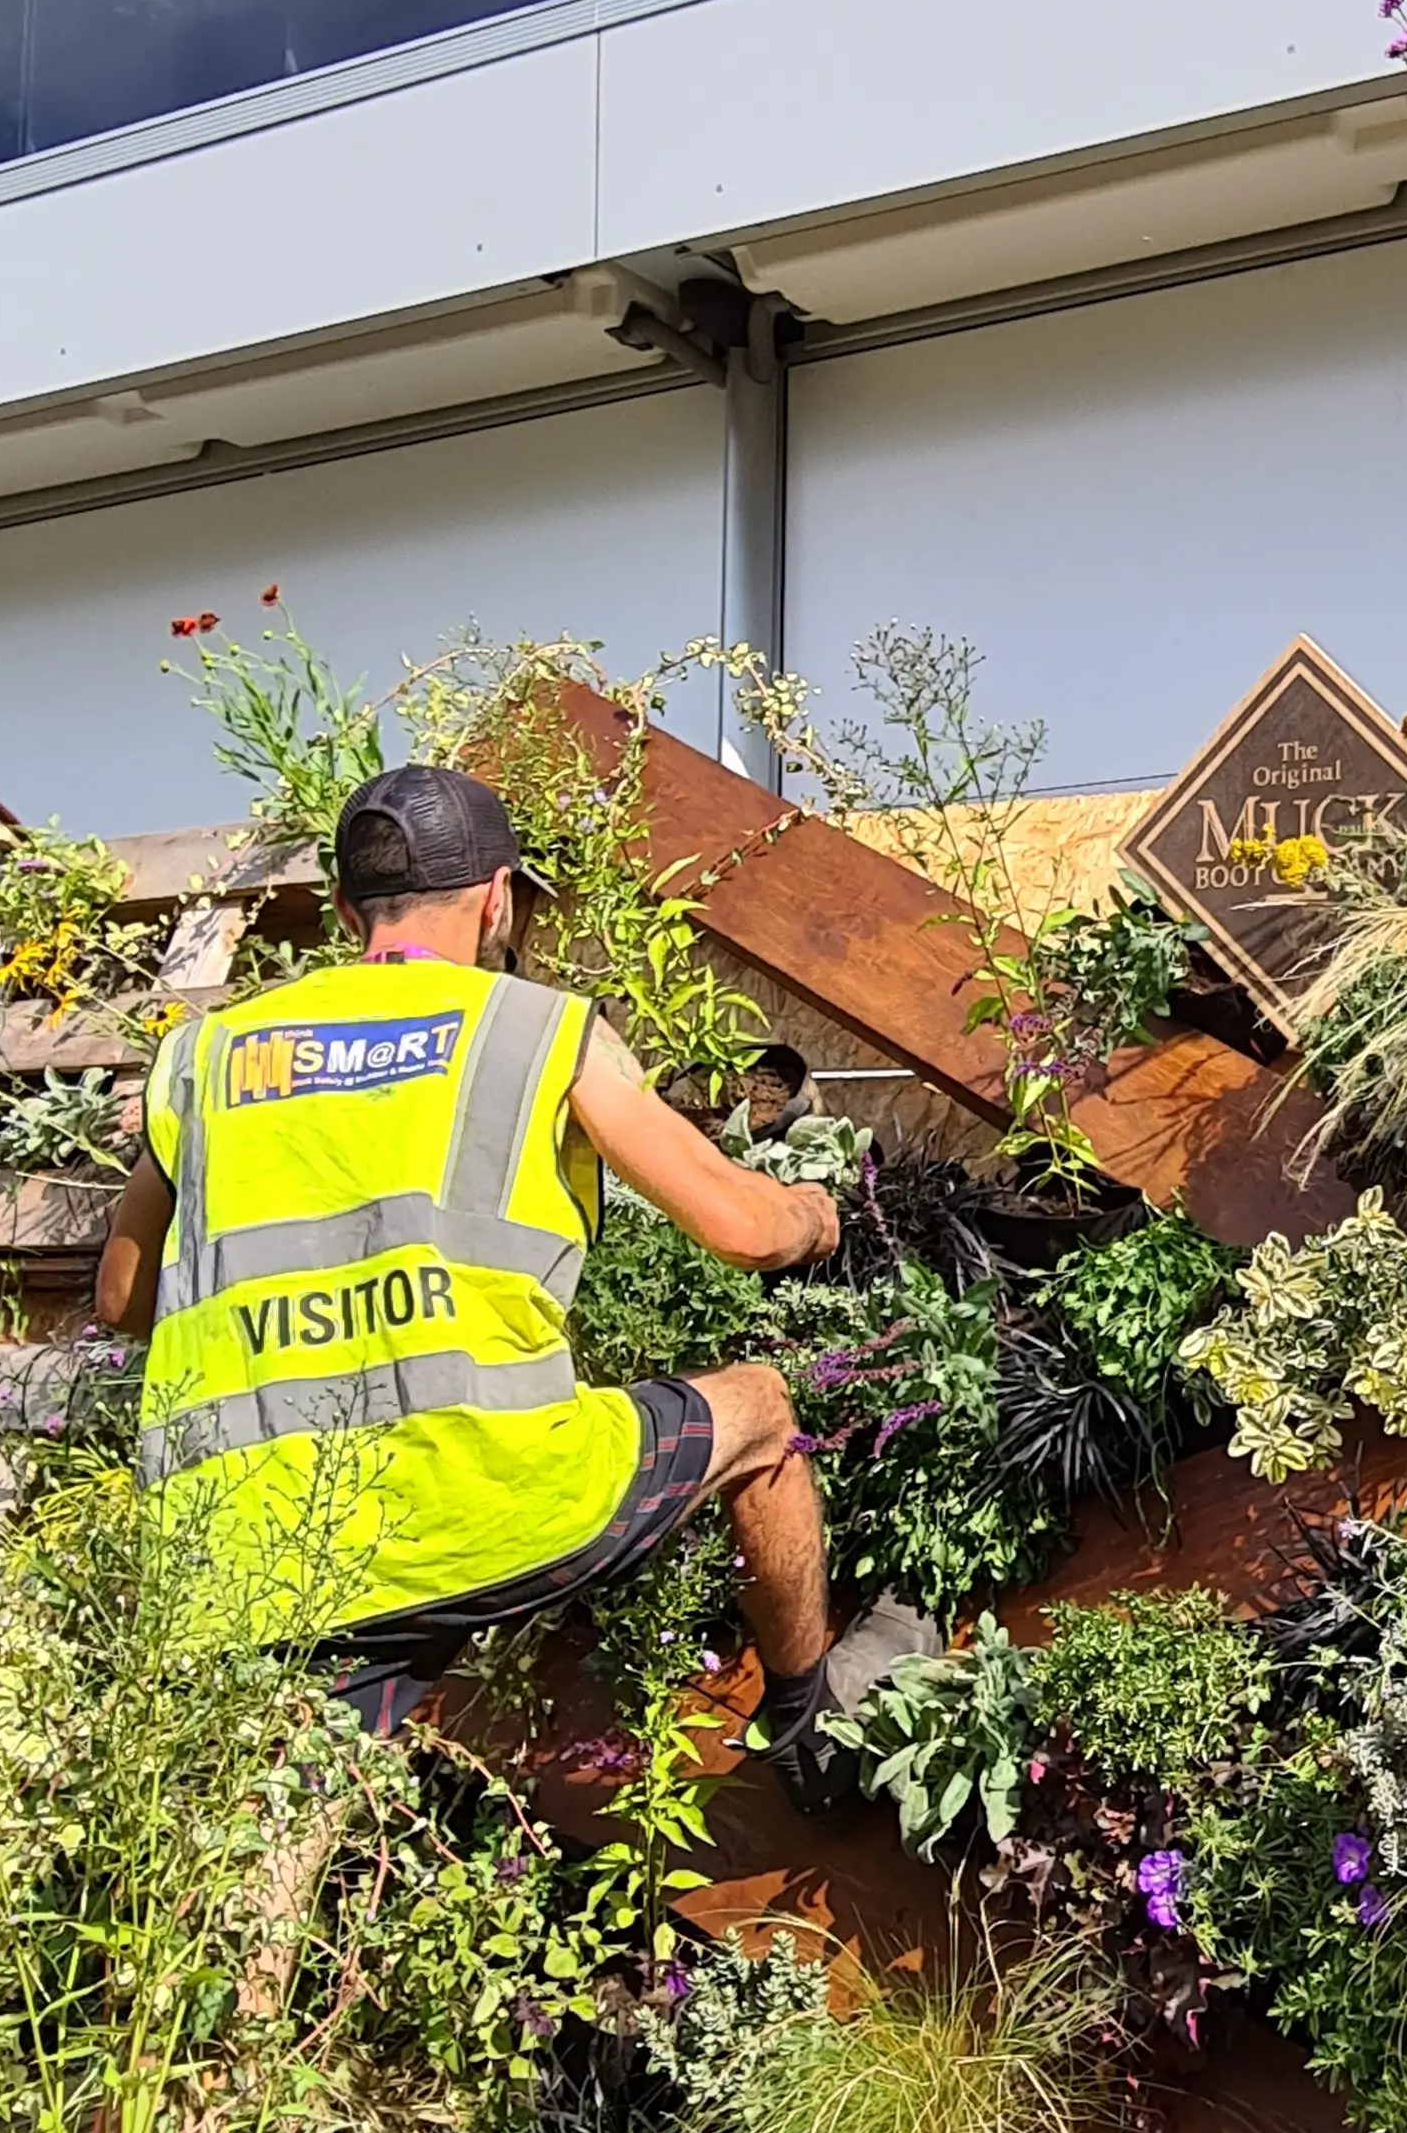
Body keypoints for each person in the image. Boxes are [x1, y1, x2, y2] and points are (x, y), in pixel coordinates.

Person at [92, 762, 849, 1789]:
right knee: (762, 1407)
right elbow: (739, 1228)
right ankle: (807, 1727)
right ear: (497, 896)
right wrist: (811, 1215)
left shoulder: (203, 1056)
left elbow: (122, 1302)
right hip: (488, 1492)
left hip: (253, 1554)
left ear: (347, 908)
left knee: (268, 1850)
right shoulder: (535, 1032)